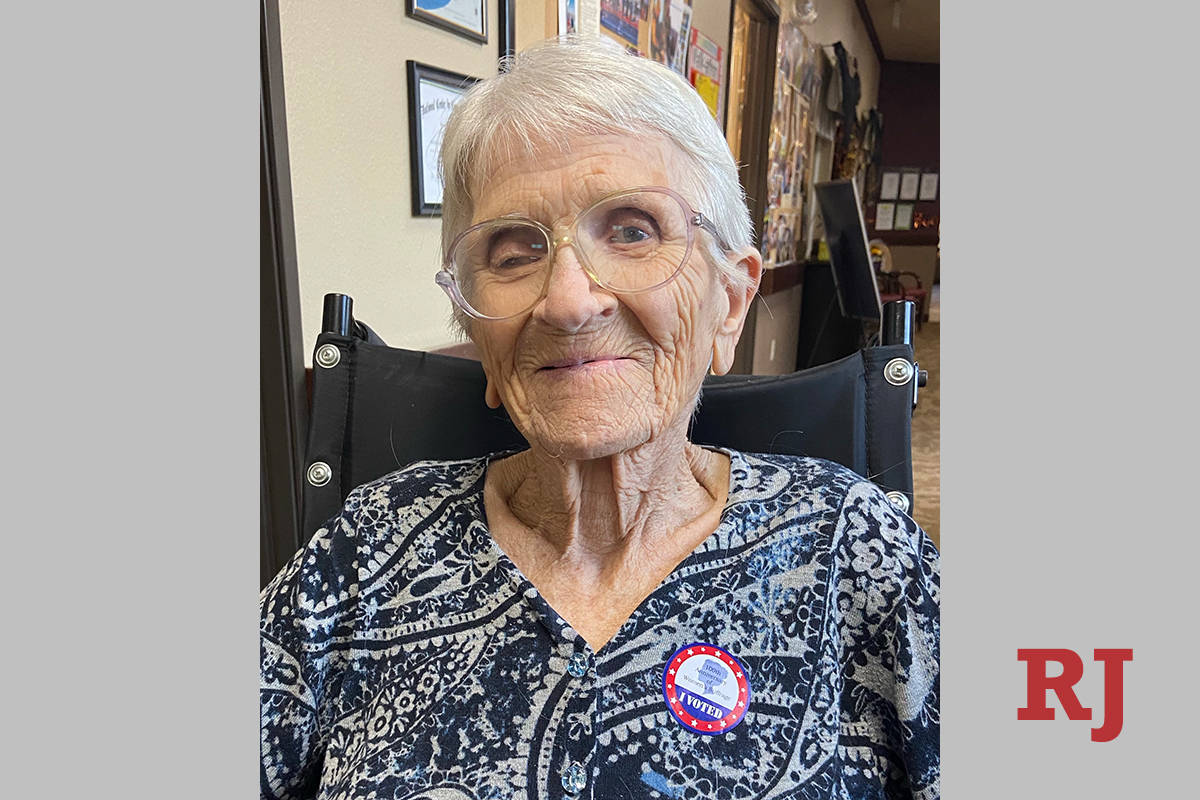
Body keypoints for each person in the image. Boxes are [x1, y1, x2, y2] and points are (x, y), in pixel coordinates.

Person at [261, 36, 939, 800]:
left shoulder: (858, 548)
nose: (570, 301)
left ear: (731, 304)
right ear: (475, 329)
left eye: (632, 231)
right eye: (514, 251)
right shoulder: (368, 549)